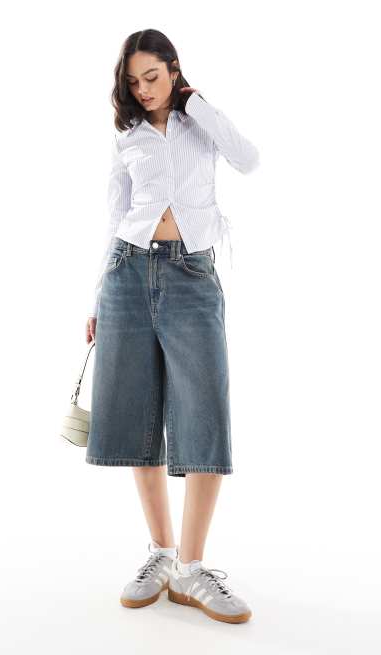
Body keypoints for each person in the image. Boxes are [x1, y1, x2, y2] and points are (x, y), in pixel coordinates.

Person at [84, 29, 259, 624]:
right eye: (134, 82)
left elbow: (248, 158)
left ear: (174, 69)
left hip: (191, 274)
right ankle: (161, 552)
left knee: (204, 410)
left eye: (152, 77)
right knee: (139, 411)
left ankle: (192, 567)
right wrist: (97, 297)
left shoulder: (199, 124)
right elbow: (115, 215)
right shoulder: (127, 138)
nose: (143, 90)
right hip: (127, 272)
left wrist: (195, 102)